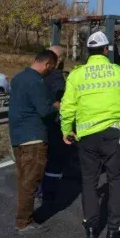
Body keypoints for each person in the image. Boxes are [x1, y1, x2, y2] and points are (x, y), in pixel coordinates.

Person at [60, 31, 120, 238]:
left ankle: (91, 227)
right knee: (115, 180)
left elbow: (67, 107)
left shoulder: (76, 75)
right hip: (113, 135)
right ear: (106, 50)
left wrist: (67, 130)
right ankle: (115, 228)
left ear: (88, 51)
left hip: (86, 137)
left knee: (89, 182)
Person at [8, 49, 60, 235]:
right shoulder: (37, 82)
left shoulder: (18, 78)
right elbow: (45, 110)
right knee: (31, 182)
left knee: (23, 180)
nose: (50, 71)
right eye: (51, 68)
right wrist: (56, 106)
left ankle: (24, 217)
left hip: (18, 136)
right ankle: (24, 223)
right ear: (47, 64)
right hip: (34, 137)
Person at [40, 45, 70, 204]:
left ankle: (40, 188)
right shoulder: (57, 77)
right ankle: (49, 193)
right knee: (55, 158)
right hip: (54, 123)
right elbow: (62, 100)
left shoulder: (35, 75)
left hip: (37, 124)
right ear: (59, 61)